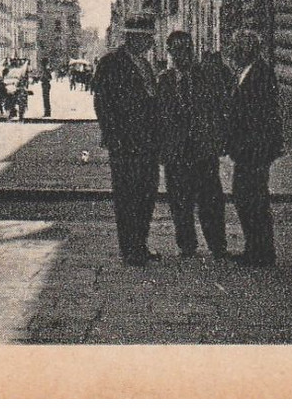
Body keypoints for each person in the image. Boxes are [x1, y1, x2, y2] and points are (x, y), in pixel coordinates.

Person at [93, 13, 161, 265]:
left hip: (147, 143)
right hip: (125, 142)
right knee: (127, 197)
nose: (152, 44)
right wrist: (112, 136)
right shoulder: (110, 63)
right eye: (148, 38)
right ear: (134, 37)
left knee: (146, 194)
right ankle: (129, 249)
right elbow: (102, 103)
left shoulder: (144, 64)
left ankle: (140, 245)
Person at [157, 30, 229, 259]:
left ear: (193, 50)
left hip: (203, 151)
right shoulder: (164, 81)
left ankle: (217, 245)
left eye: (186, 50)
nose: (181, 56)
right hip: (176, 152)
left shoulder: (207, 77)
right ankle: (187, 245)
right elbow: (158, 117)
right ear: (169, 53)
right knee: (179, 201)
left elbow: (220, 110)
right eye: (176, 51)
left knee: (211, 200)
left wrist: (218, 140)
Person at [225, 28, 283, 267]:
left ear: (247, 49)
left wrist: (248, 142)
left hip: (254, 149)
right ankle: (255, 248)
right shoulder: (249, 72)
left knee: (252, 198)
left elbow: (260, 115)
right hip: (249, 148)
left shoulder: (260, 73)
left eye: (237, 48)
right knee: (247, 197)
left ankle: (261, 252)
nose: (233, 52)